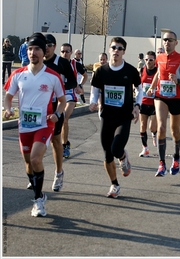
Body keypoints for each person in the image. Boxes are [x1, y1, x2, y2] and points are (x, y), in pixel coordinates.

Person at [3, 32, 66, 216]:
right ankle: (37, 186)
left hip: (44, 124)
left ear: (43, 51)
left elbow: (62, 101)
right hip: (24, 125)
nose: (33, 52)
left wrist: (57, 114)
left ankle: (38, 201)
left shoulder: (53, 76)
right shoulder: (18, 74)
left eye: (37, 49)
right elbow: (8, 96)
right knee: (28, 163)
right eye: (30, 49)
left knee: (36, 159)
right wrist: (7, 109)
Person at [89, 37, 142, 198]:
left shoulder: (130, 71)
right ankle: (114, 184)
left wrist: (137, 106)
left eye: (120, 48)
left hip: (124, 116)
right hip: (107, 116)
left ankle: (123, 157)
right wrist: (93, 103)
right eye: (114, 48)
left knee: (116, 149)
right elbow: (95, 90)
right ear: (109, 49)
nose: (116, 51)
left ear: (124, 51)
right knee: (107, 155)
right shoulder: (101, 71)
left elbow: (140, 90)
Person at [34, 33, 80, 192]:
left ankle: (59, 172)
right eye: (43, 45)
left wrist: (60, 89)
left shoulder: (61, 63)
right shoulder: (37, 63)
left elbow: (73, 81)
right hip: (39, 107)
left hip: (56, 106)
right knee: (36, 141)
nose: (46, 48)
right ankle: (35, 173)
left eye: (49, 45)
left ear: (54, 47)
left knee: (55, 140)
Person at [146, 31, 180, 177]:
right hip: (161, 97)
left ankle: (176, 157)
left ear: (176, 42)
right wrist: (152, 87)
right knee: (161, 127)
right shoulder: (159, 57)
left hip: (177, 98)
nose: (167, 42)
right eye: (165, 40)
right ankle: (162, 164)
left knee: (174, 131)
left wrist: (179, 81)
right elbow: (158, 73)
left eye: (170, 40)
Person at [59, 43, 88, 158]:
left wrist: (79, 85)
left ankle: (64, 145)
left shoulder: (75, 64)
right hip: (58, 94)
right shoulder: (55, 63)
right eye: (63, 51)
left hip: (70, 94)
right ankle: (63, 142)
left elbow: (85, 76)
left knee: (64, 118)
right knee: (57, 120)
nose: (65, 53)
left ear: (71, 53)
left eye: (67, 51)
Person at [138, 51, 158, 157]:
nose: (148, 62)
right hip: (144, 102)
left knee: (152, 127)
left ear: (155, 60)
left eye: (150, 60)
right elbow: (137, 85)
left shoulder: (158, 72)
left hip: (155, 103)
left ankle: (154, 134)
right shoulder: (142, 70)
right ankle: (145, 148)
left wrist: (154, 89)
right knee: (142, 126)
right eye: (146, 59)